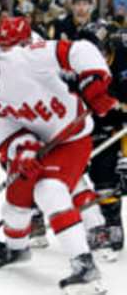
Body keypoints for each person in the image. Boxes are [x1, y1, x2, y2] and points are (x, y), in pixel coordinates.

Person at [0, 31, 117, 294]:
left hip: (72, 138)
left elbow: (78, 50)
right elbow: (5, 137)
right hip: (38, 146)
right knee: (15, 203)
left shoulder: (24, 59)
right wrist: (22, 149)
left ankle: (84, 265)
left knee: (49, 190)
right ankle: (17, 249)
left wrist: (95, 79)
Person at [0, 16, 108, 253]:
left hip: (58, 125)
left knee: (69, 179)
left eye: (13, 45)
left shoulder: (38, 52)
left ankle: (95, 227)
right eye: (5, 46)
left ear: (26, 40)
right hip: (30, 126)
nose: (8, 51)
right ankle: (35, 222)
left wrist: (91, 86)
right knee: (20, 170)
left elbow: (73, 67)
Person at [75, 22, 127, 259]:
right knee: (102, 172)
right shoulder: (74, 65)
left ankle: (112, 220)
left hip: (122, 123)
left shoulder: (124, 53)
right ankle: (110, 224)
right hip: (95, 122)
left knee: (118, 172)